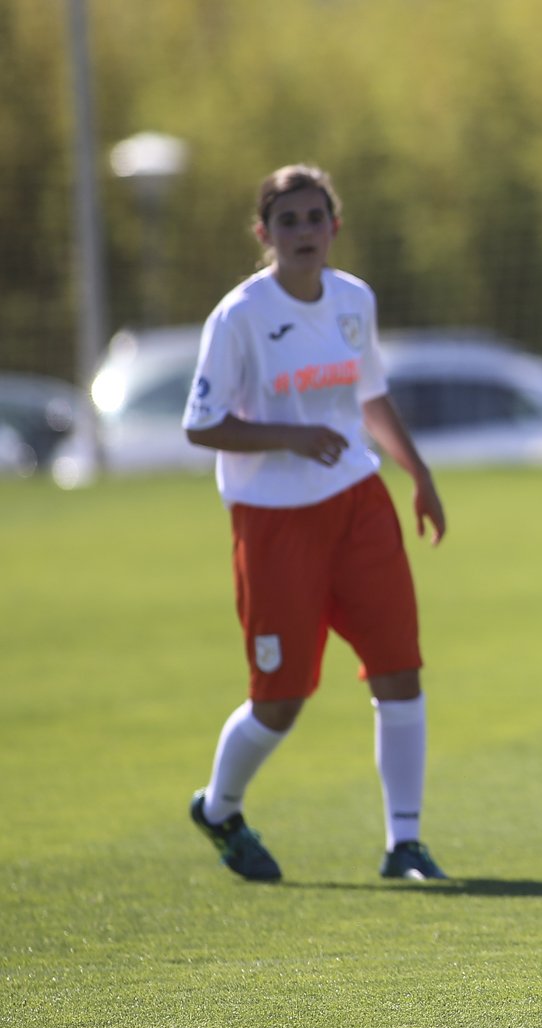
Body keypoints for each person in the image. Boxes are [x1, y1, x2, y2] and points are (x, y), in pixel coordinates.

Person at [182, 164, 449, 883]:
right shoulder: (238, 316)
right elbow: (201, 425)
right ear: (264, 233)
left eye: (314, 218)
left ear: (335, 226)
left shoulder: (354, 299)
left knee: (400, 669)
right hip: (272, 524)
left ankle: (406, 844)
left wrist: (417, 475)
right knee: (281, 700)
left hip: (359, 504)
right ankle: (220, 807)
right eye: (288, 220)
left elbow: (371, 396)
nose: (303, 232)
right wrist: (289, 436)